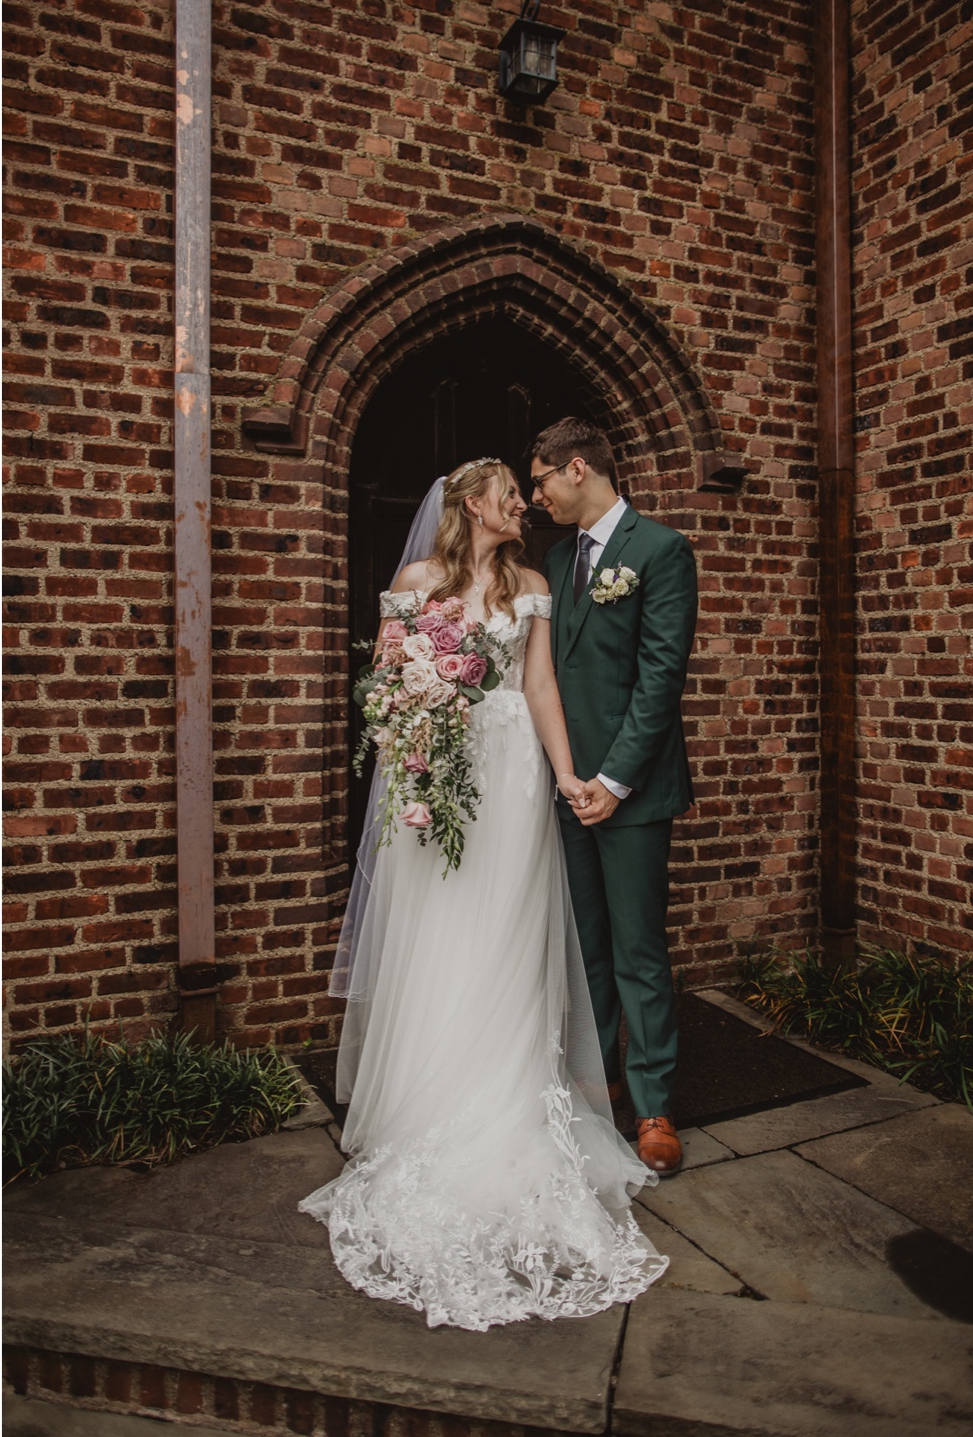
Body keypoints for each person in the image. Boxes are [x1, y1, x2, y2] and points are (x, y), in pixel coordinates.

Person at [302, 456, 667, 1332]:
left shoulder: (533, 582)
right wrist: (417, 737)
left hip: (510, 781)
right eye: (510, 494)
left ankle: (511, 1096)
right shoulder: (419, 580)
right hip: (441, 774)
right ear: (473, 504)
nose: (522, 504)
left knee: (509, 930)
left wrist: (570, 774)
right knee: (443, 936)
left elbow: (538, 686)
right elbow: (387, 688)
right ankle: (432, 1101)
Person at [528, 417, 699, 1176]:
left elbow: (661, 679)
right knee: (584, 950)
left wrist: (612, 780)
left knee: (638, 952)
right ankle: (594, 1094)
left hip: (630, 793)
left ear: (576, 469)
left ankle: (654, 1103)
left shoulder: (661, 550)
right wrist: (570, 777)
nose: (535, 497)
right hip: (567, 788)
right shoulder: (557, 557)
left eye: (539, 481)